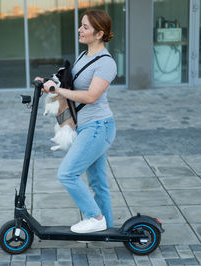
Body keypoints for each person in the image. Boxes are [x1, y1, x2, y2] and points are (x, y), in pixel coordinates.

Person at [38, 9, 117, 233]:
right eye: (81, 25)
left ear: (99, 33)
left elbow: (91, 97)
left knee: (67, 174)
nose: (80, 30)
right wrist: (48, 83)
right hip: (86, 127)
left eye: (85, 27)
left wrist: (60, 89)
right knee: (98, 186)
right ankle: (106, 231)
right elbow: (68, 84)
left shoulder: (106, 63)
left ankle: (95, 217)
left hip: (98, 127)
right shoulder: (84, 56)